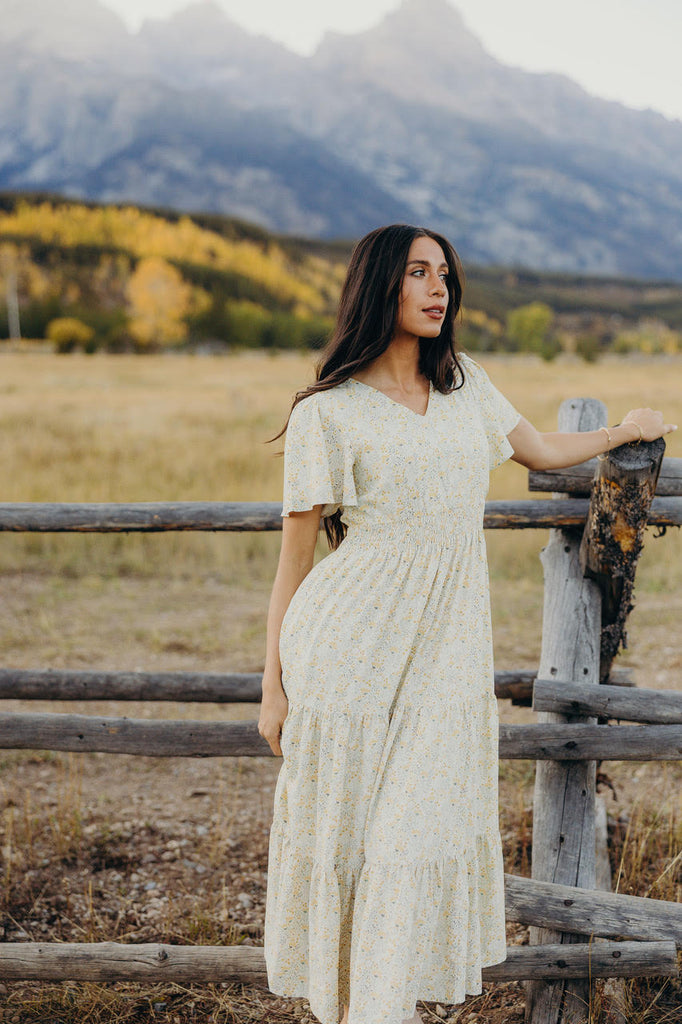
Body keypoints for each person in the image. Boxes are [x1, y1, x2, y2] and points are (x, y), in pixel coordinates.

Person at [257, 224, 676, 1024]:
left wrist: (623, 431)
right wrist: (272, 688)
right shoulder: (327, 414)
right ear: (381, 285)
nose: (437, 288)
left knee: (409, 845)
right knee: (350, 848)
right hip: (348, 647)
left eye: (444, 274)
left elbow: (544, 449)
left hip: (446, 652)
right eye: (418, 273)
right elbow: (294, 564)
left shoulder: (467, 387)